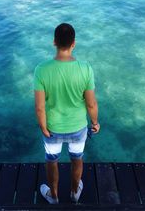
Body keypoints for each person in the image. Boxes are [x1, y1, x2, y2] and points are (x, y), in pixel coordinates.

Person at [33, 23, 100, 204]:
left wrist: (43, 127)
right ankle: (74, 191)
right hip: (78, 127)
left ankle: (53, 196)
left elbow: (39, 108)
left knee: (52, 161)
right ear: (74, 44)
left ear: (54, 42)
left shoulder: (41, 70)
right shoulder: (85, 68)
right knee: (77, 159)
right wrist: (95, 123)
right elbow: (91, 103)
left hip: (52, 128)